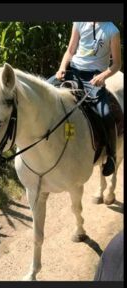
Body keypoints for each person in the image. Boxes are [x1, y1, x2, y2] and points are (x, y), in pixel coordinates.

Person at [49, 22, 121, 176]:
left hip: (94, 77)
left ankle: (112, 156)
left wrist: (102, 76)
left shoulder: (112, 30)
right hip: (73, 70)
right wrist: (62, 68)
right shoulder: (79, 22)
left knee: (106, 114)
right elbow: (70, 50)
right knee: (44, 91)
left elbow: (116, 64)